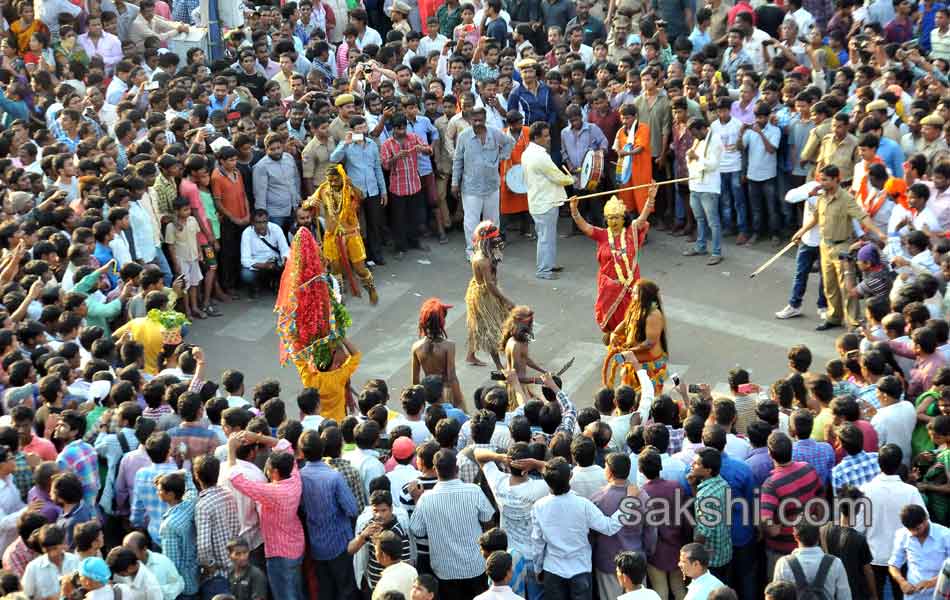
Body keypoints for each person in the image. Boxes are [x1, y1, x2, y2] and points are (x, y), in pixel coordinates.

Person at [276, 229, 360, 422]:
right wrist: (338, 336)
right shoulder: (338, 375)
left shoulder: (311, 379)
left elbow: (298, 355)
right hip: (338, 420)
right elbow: (355, 356)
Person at [791, 165, 886, 331]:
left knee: (847, 286)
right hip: (824, 245)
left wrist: (878, 232)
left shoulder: (846, 199)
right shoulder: (821, 196)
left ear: (836, 179)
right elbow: (815, 218)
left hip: (842, 246)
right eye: (821, 179)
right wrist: (801, 232)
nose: (822, 183)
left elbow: (862, 216)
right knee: (829, 285)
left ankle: (854, 321)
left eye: (826, 180)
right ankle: (834, 317)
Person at [570, 185, 655, 341]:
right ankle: (615, 336)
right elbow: (585, 227)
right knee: (610, 316)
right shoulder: (602, 235)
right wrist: (575, 211)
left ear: (624, 218)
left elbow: (643, 218)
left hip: (629, 285)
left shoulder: (631, 231)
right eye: (610, 218)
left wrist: (650, 198)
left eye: (617, 217)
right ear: (606, 219)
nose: (613, 221)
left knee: (632, 313)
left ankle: (631, 338)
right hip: (608, 287)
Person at [407, 449, 495, 598]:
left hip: (444, 571)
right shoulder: (473, 491)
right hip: (475, 566)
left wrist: (417, 500)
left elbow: (418, 531)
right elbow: (489, 521)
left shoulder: (426, 499)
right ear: (457, 468)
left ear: (435, 470)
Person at [303, 165, 378, 304]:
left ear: (343, 178)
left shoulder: (349, 189)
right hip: (331, 235)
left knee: (360, 269)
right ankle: (339, 298)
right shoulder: (324, 189)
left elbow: (361, 196)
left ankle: (371, 288)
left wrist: (351, 185)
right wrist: (309, 203)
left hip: (351, 234)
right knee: (335, 269)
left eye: (336, 180)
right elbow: (305, 205)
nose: (332, 183)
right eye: (330, 180)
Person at [453, 107, 516, 258]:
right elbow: (457, 160)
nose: (477, 121)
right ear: (469, 119)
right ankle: (473, 252)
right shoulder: (463, 136)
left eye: (480, 118)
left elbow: (509, 142)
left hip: (492, 185)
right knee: (471, 222)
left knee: (493, 221)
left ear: (485, 117)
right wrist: (454, 183)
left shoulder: (494, 132)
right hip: (471, 187)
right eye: (474, 119)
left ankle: (493, 250)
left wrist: (502, 156)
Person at [521, 122, 575, 280]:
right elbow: (557, 177)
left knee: (546, 237)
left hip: (539, 200)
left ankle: (548, 265)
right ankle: (544, 270)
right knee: (546, 238)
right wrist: (572, 180)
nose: (549, 138)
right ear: (536, 138)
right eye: (545, 136)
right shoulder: (540, 156)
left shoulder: (528, 152)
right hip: (545, 202)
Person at [603, 279, 669, 394]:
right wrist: (615, 333)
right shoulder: (636, 307)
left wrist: (627, 351)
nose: (631, 294)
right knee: (628, 398)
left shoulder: (653, 315)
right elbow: (626, 322)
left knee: (648, 399)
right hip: (634, 363)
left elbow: (649, 343)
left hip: (649, 367)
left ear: (644, 296)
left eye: (635, 293)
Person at [465, 221, 515, 369]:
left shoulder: (481, 253)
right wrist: (505, 300)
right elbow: (490, 285)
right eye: (495, 238)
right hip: (485, 296)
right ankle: (500, 366)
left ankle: (470, 355)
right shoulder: (483, 260)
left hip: (482, 290)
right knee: (490, 329)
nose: (498, 240)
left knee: (478, 324)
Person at [772, 521, 852, 600]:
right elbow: (845, 597)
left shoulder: (783, 563)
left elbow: (776, 597)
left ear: (795, 537)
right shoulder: (836, 563)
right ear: (819, 535)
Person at [683, 117, 725, 266]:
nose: (694, 136)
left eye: (695, 132)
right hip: (695, 185)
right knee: (699, 219)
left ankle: (716, 252)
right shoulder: (698, 140)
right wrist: (690, 157)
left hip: (709, 187)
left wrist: (696, 157)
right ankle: (701, 247)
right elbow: (691, 162)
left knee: (713, 222)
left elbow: (713, 165)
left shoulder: (716, 140)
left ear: (703, 128)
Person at [888, 504, 950, 600]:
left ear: (926, 519)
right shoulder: (901, 534)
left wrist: (932, 582)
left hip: (940, 594)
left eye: (917, 529)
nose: (914, 533)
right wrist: (902, 582)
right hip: (913, 595)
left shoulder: (945, 535)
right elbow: (893, 565)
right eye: (910, 530)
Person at [412, 298, 465, 409]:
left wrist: (418, 402)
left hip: (428, 393)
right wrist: (459, 402)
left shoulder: (416, 347)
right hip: (445, 394)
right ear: (442, 321)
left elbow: (415, 381)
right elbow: (451, 377)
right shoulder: (449, 346)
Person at [253, 134, 301, 232]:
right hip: (275, 213)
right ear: (266, 150)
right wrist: (262, 217)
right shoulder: (261, 166)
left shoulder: (289, 158)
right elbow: (260, 194)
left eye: (278, 148)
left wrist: (298, 198)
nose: (276, 152)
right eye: (272, 149)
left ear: (282, 146)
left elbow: (296, 180)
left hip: (293, 208)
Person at [239, 209, 290, 298]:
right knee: (246, 274)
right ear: (252, 223)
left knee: (289, 264)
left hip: (275, 261)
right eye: (258, 222)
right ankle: (255, 285)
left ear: (268, 221)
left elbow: (285, 249)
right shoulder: (247, 233)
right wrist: (264, 265)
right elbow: (245, 260)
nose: (262, 225)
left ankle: (277, 282)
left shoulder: (276, 228)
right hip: (258, 263)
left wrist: (285, 259)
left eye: (264, 222)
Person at [613, 104, 652, 213]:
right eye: (622, 118)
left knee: (642, 196)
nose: (624, 121)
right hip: (626, 171)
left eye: (627, 118)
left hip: (641, 169)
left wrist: (626, 153)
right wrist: (619, 152)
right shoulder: (620, 131)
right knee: (626, 197)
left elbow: (640, 148)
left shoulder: (643, 128)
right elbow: (616, 147)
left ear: (635, 116)